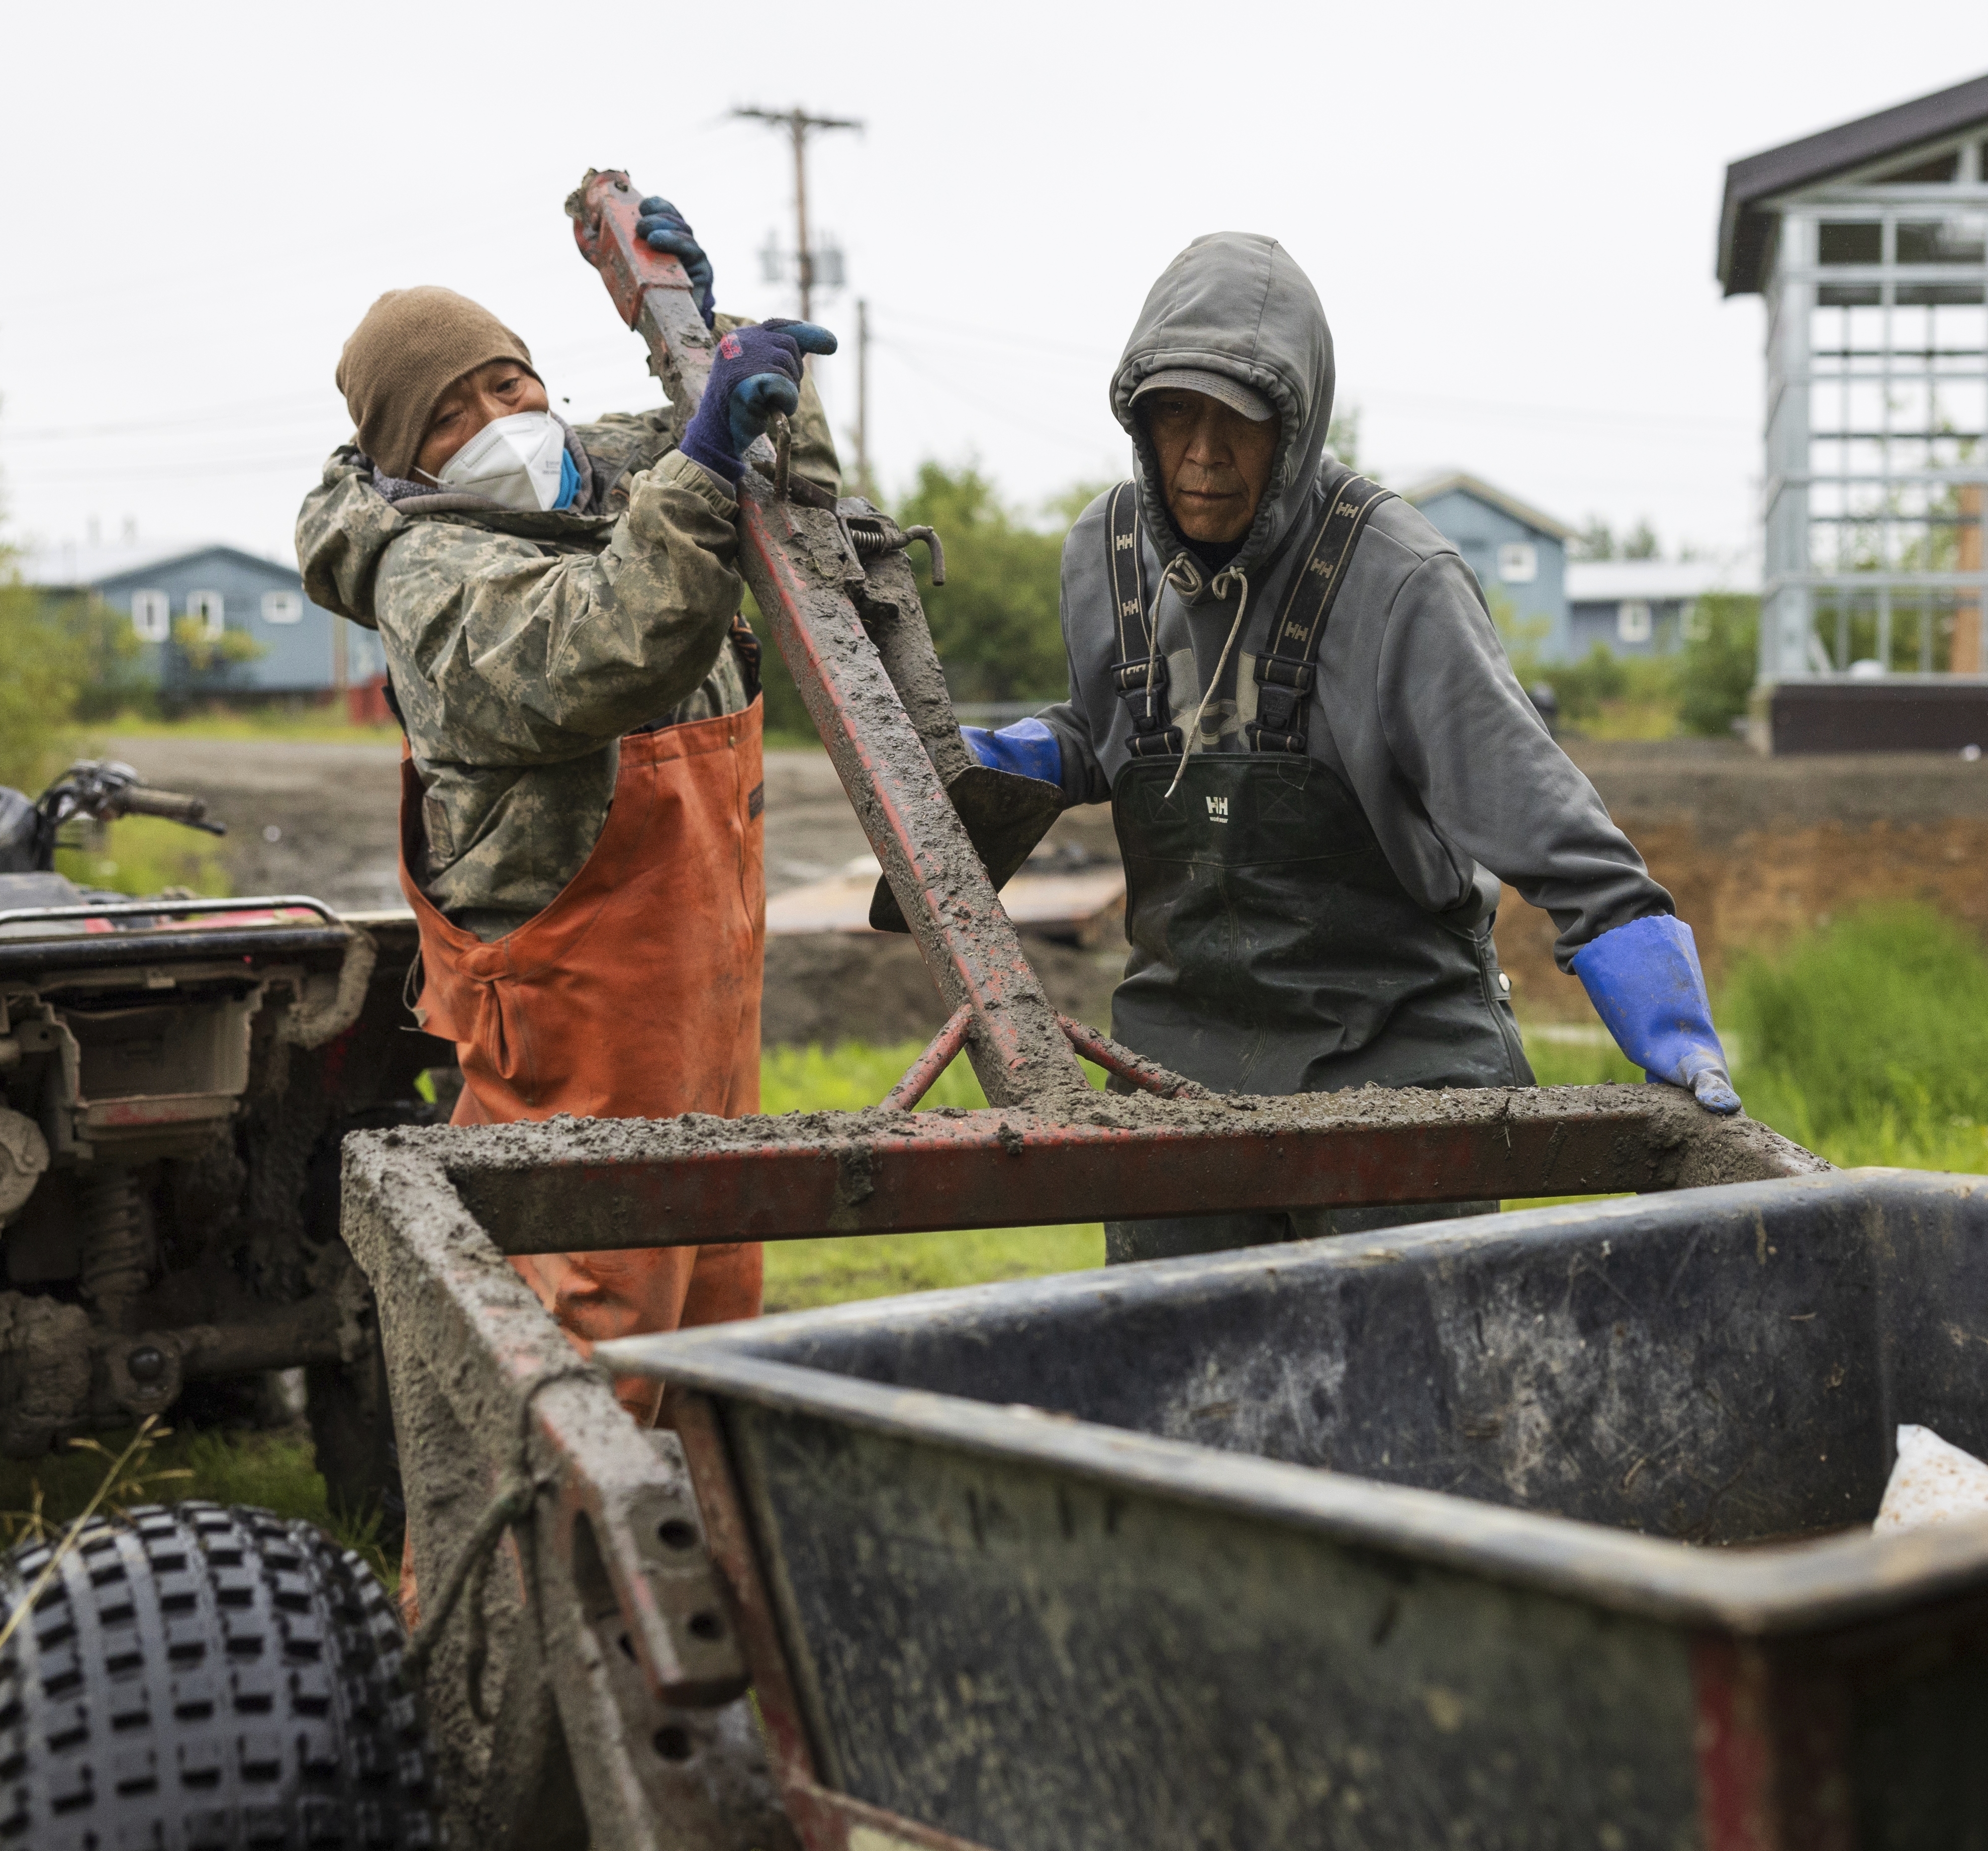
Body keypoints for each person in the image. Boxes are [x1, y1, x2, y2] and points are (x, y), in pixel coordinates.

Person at [959, 232, 1740, 1263]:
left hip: (1393, 1070)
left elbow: (1538, 813)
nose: (1200, 454)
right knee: (1179, 1382)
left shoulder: (1396, 581)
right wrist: (1031, 758)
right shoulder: (1099, 558)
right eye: (1174, 415)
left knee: (1400, 1390)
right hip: (1176, 1072)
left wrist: (1667, 1023)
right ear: (1136, 418)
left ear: (1293, 424)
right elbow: (1120, 726)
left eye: (1234, 418)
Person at [295, 199, 838, 1420]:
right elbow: (598, 650)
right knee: (580, 1354)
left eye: (507, 384)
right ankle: (511, 1608)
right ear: (402, 457)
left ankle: (691, 1600)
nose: (498, 423)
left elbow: (786, 482)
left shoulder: (606, 481)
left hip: (701, 1021)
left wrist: (702, 334)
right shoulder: (432, 574)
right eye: (450, 414)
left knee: (709, 1340)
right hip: (579, 1042)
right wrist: (701, 457)